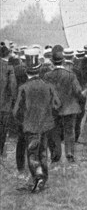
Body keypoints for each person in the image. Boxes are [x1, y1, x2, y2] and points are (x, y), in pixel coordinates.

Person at [13, 49, 61, 192]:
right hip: (46, 125)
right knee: (43, 153)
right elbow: (57, 104)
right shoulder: (49, 86)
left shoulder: (23, 88)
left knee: (32, 153)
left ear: (27, 71)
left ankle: (38, 176)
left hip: (30, 125)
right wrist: (49, 113)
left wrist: (22, 120)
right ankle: (43, 179)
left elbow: (16, 111)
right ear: (39, 70)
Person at [44, 48, 84, 162]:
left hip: (54, 107)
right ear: (63, 61)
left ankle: (56, 155)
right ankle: (70, 154)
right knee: (69, 131)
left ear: (52, 61)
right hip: (70, 107)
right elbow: (78, 91)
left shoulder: (47, 75)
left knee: (54, 131)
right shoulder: (71, 75)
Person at [0, 44, 17, 157]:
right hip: (4, 104)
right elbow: (12, 86)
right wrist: (14, 99)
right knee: (2, 128)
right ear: (8, 54)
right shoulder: (9, 67)